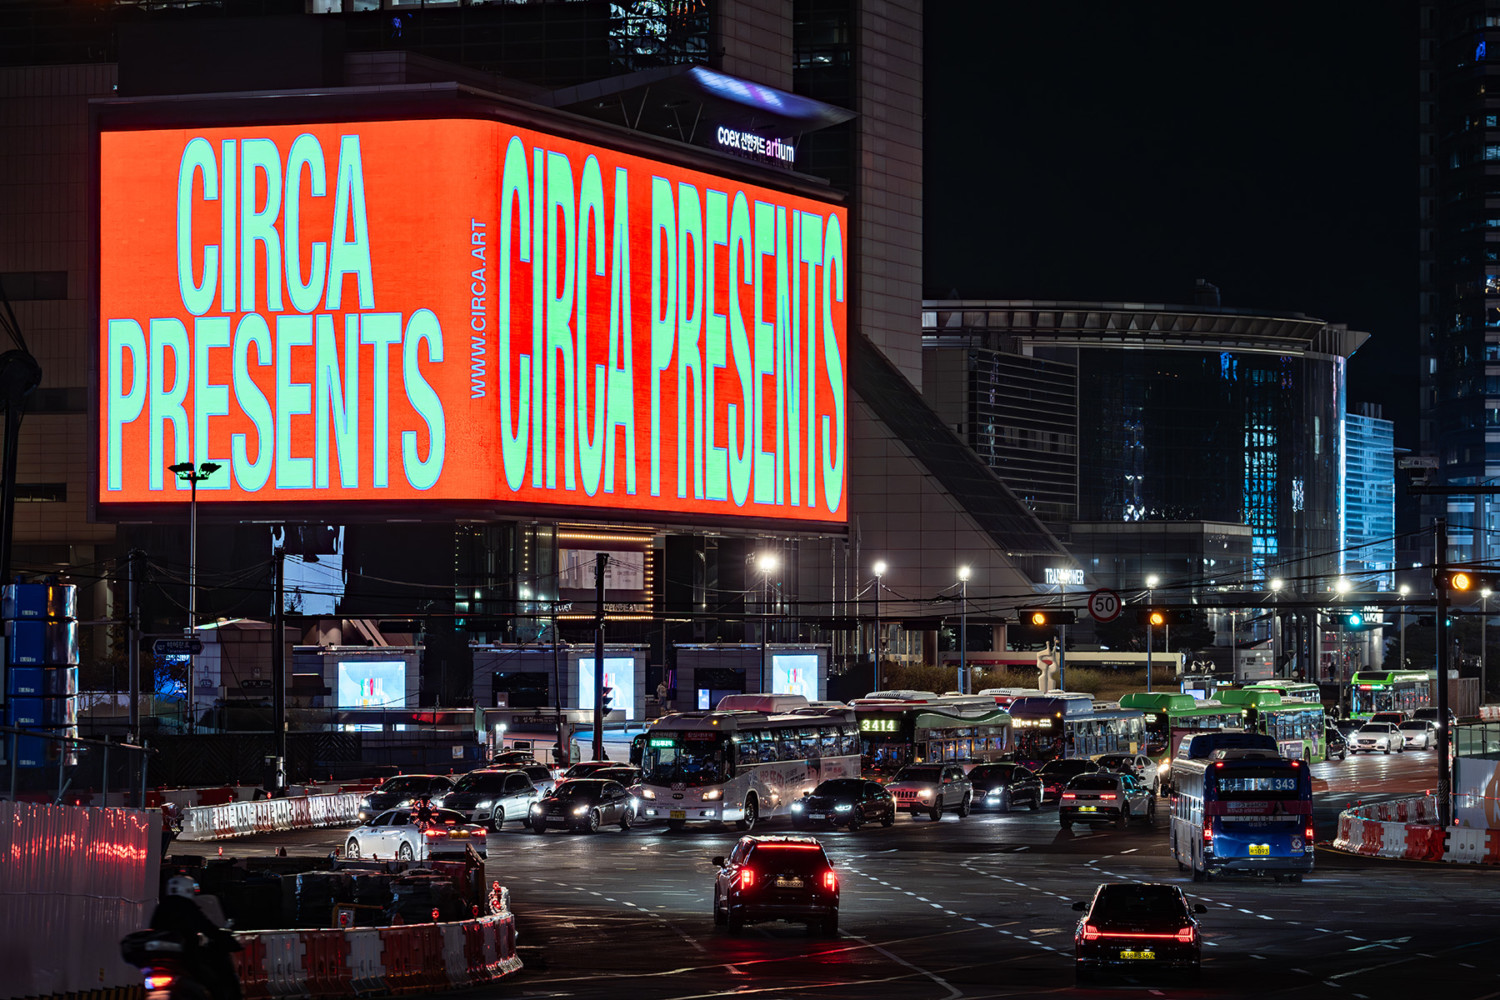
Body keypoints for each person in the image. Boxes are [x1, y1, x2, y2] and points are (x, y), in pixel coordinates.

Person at [149, 876, 242, 1000]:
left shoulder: (162, 907)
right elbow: (207, 927)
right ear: (188, 890)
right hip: (186, 958)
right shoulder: (186, 906)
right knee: (214, 982)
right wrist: (227, 940)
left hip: (163, 959)